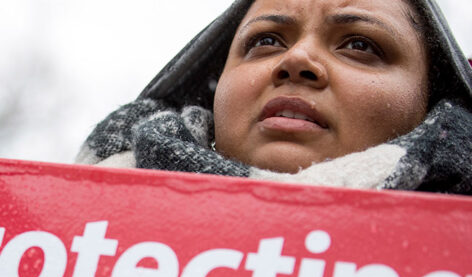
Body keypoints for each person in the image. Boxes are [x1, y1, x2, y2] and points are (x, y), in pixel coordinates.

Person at [76, 0, 472, 195]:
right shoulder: (57, 246)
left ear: (433, 105)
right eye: (266, 41)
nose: (297, 59)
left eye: (360, 45)